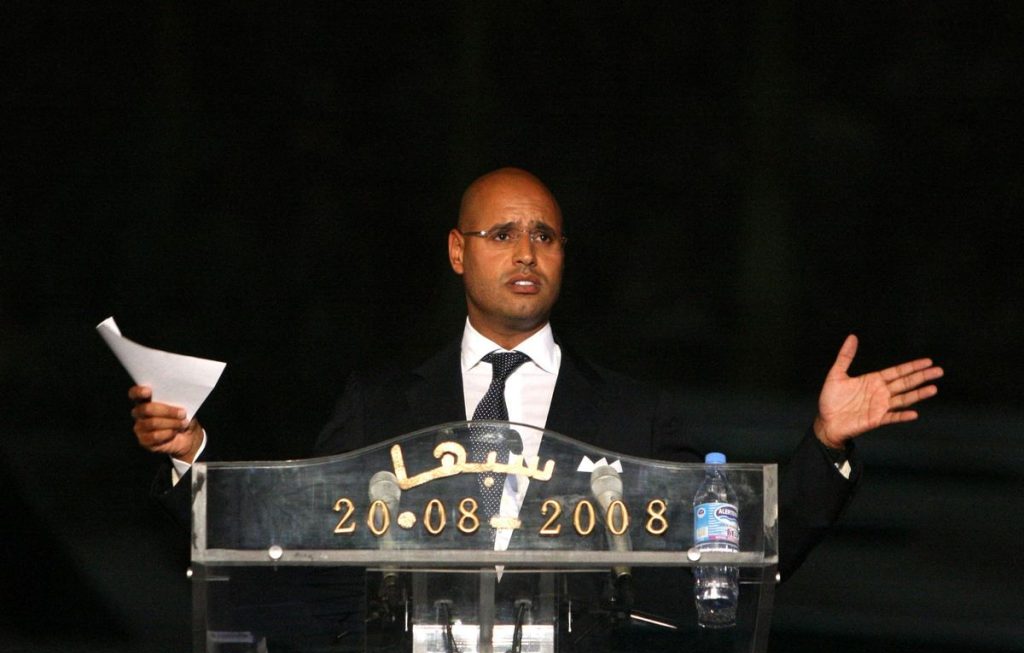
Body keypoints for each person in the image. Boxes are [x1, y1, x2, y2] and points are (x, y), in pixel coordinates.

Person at [129, 167, 942, 579]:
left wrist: (824, 444)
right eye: (502, 234)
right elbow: (291, 540)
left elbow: (733, 553)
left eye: (545, 236)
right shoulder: (379, 405)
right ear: (458, 252)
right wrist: (191, 456)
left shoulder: (633, 415)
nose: (526, 252)